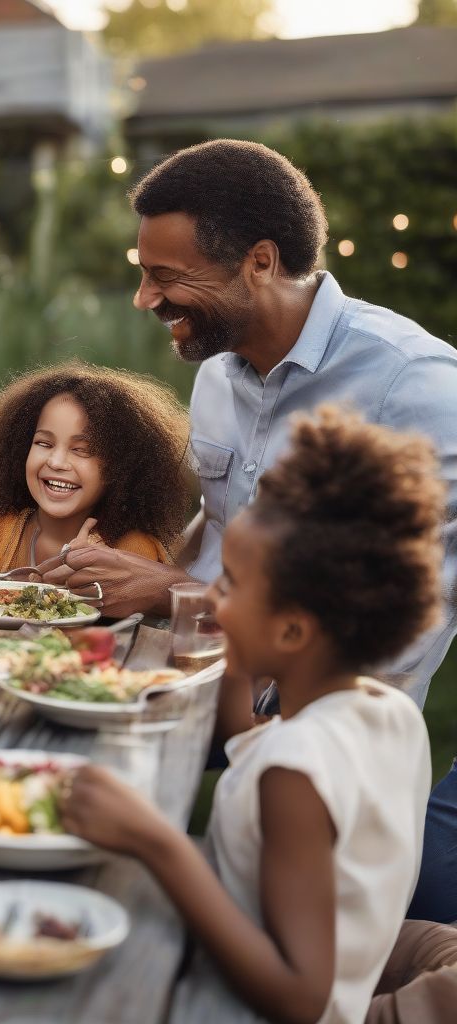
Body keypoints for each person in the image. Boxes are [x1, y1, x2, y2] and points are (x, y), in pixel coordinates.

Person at [40, 139, 456, 711]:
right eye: (143, 274)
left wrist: (177, 594)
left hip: (326, 714)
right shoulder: (217, 367)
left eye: (166, 277)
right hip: (197, 674)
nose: (144, 299)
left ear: (260, 262)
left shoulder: (413, 384)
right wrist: (131, 560)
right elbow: (218, 516)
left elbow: (414, 595)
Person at [61, 406, 441, 1024]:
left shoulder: (296, 774)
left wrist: (158, 842)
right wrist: (236, 657)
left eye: (230, 586)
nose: (209, 597)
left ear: (292, 630)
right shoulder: (383, 713)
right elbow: (250, 743)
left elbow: (301, 997)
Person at [0, 361, 192, 585]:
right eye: (43, 443)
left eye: (81, 450)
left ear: (122, 468)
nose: (56, 461)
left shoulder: (131, 550)